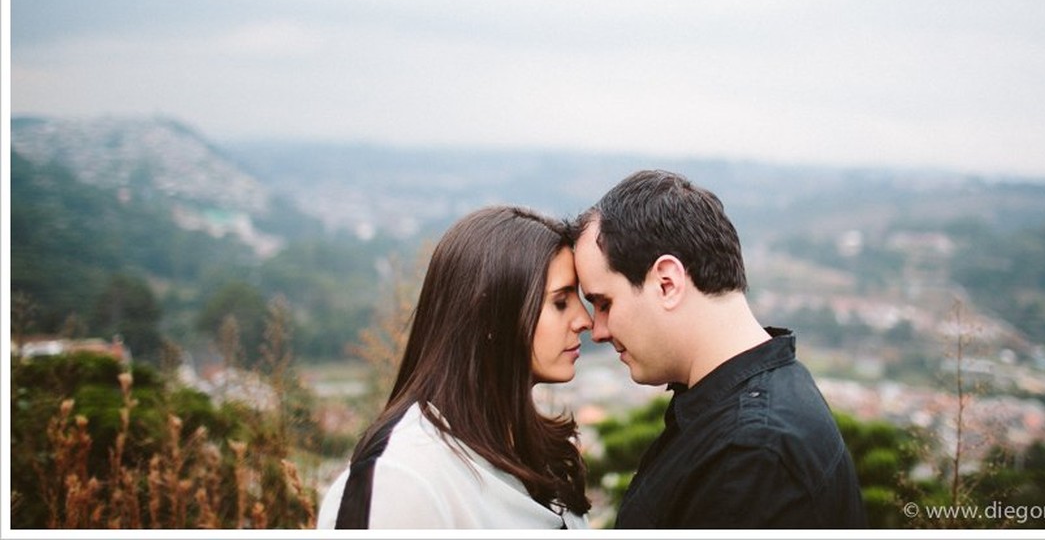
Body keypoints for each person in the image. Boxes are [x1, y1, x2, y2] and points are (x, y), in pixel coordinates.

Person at [572, 170, 868, 529]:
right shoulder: (743, 413)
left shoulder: (752, 455)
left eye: (603, 303)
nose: (597, 331)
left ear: (667, 283)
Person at [317, 206, 593, 529]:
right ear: (492, 316)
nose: (584, 320)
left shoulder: (545, 457)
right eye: (560, 302)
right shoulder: (400, 480)